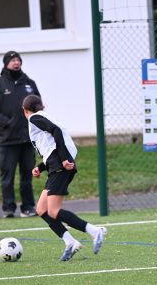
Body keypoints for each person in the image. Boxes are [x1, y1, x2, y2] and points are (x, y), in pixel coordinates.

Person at [22, 95, 107, 261]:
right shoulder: (42, 117)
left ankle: (95, 231)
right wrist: (40, 167)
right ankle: (70, 242)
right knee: (42, 210)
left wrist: (63, 159)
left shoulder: (33, 118)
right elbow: (50, 148)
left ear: (25, 110)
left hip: (60, 167)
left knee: (53, 211)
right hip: (56, 166)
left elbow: (56, 131)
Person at [0, 51, 39, 218]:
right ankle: (8, 208)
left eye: (18, 60)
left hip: (27, 138)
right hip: (8, 140)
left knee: (27, 175)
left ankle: (28, 207)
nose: (16, 63)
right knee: (7, 176)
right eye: (13, 60)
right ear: (6, 63)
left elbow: (37, 105)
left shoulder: (29, 83)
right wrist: (7, 122)